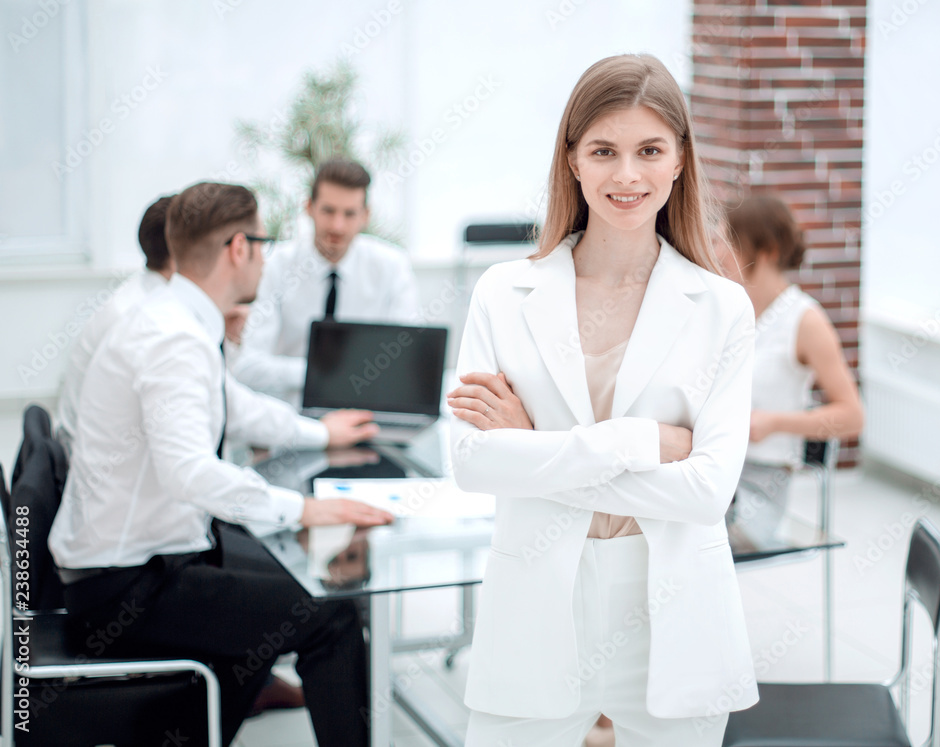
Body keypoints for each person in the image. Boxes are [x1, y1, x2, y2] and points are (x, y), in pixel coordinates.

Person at [447, 54, 758, 747]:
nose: (626, 175)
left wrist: (534, 449)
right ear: (572, 160)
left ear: (680, 159)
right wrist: (642, 441)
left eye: (649, 150)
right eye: (603, 151)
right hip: (535, 599)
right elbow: (473, 464)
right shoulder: (503, 293)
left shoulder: (721, 309)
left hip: (671, 603)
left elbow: (706, 493)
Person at [48, 181, 394, 747]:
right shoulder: (173, 339)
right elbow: (188, 471)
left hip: (142, 556)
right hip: (126, 584)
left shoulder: (173, 318)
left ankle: (194, 734)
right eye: (262, 243)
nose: (266, 257)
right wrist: (306, 509)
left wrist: (320, 432)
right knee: (331, 618)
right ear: (239, 248)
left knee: (288, 584)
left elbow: (234, 406)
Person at [232, 157, 419, 404]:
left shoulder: (392, 266)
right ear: (309, 207)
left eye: (349, 214)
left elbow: (404, 361)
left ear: (365, 215)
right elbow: (247, 366)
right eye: (328, 211)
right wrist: (323, 372)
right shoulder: (276, 265)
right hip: (291, 411)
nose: (337, 226)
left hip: (365, 408)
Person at [719, 194, 864, 509]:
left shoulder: (805, 320)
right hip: (713, 467)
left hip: (757, 485)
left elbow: (852, 416)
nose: (718, 253)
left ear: (767, 251)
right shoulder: (728, 308)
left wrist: (774, 423)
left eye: (729, 243)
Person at [54, 195, 175, 455]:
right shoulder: (142, 316)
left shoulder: (142, 293)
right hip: (90, 457)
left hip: (87, 444)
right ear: (178, 251)